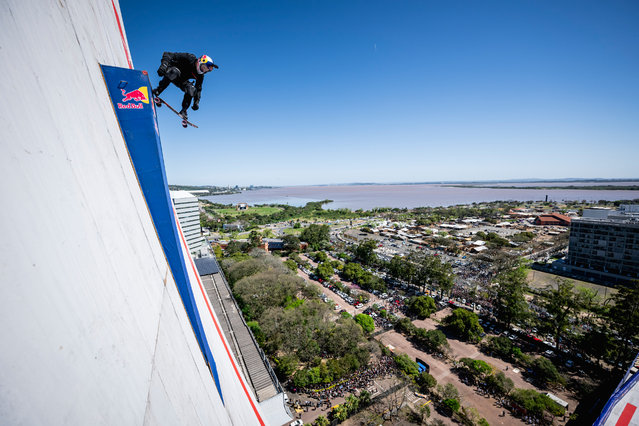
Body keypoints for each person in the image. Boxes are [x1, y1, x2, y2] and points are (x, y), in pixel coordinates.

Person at [152, 52, 218, 119]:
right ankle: (158, 90)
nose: (204, 71)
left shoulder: (200, 75)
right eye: (204, 67)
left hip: (181, 80)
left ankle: (184, 110)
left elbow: (198, 89)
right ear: (199, 62)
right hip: (172, 71)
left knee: (192, 89)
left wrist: (196, 102)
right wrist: (164, 65)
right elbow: (168, 54)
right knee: (174, 72)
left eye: (206, 70)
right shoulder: (189, 58)